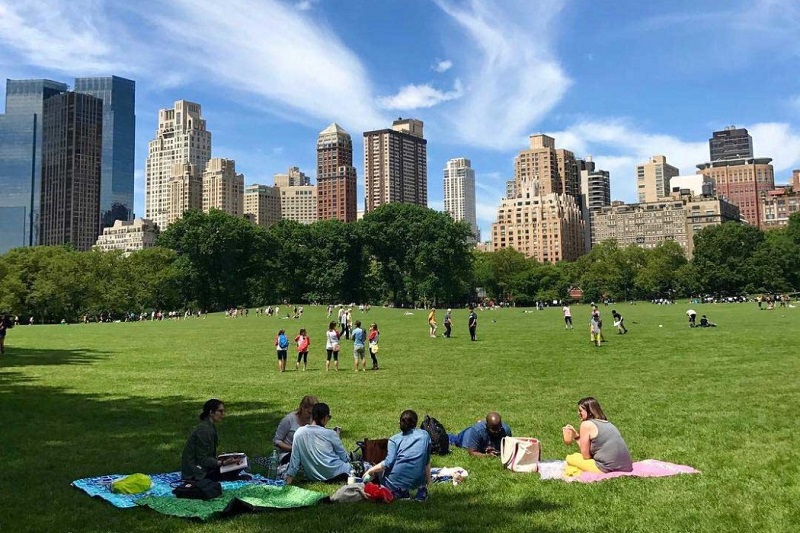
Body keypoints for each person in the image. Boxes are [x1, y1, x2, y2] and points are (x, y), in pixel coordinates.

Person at [363, 410, 432, 501]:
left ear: (399, 423)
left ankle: (400, 492)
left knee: (375, 471)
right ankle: (417, 491)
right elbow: (426, 462)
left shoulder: (394, 440)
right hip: (418, 484)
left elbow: (388, 463)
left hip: (394, 484)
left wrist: (370, 470)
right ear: (415, 423)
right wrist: (429, 482)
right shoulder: (425, 435)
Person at [561, 396, 633, 475]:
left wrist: (576, 437)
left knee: (571, 458)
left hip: (607, 468)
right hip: (626, 467)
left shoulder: (586, 424)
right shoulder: (607, 423)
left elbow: (586, 456)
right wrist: (577, 436)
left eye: (580, 411)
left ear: (590, 411)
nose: (578, 413)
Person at [181, 399, 247, 481]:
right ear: (211, 412)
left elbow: (206, 454)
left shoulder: (209, 427)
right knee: (235, 467)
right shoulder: (204, 430)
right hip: (197, 472)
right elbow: (202, 459)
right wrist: (223, 463)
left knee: (239, 463)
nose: (223, 414)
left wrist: (222, 458)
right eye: (220, 411)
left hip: (202, 467)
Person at [285, 403, 350, 484]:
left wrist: (289, 479)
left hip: (313, 476)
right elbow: (345, 458)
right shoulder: (330, 434)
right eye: (328, 417)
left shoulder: (299, 433)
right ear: (325, 418)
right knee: (364, 465)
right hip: (336, 473)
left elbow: (294, 461)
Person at [273, 395, 318, 464]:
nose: (311, 416)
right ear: (303, 407)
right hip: (287, 453)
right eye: (309, 413)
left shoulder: (313, 421)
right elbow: (277, 441)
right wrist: (293, 449)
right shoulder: (289, 420)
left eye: (313, 414)